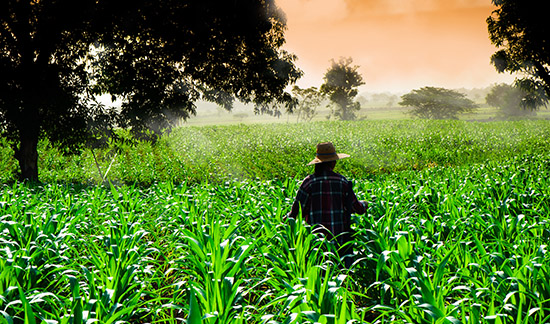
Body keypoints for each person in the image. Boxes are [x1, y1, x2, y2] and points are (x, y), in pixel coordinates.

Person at [287, 142, 366, 267]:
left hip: (316, 245)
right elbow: (358, 209)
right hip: (340, 244)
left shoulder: (308, 183)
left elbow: (295, 213)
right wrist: (364, 204)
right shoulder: (342, 182)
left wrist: (285, 220)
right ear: (333, 162)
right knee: (341, 273)